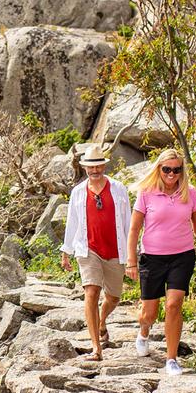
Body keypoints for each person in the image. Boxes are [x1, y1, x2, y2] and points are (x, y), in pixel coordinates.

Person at [125, 148, 196, 376]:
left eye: (176, 170)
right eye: (167, 169)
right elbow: (134, 228)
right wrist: (131, 260)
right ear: (159, 169)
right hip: (152, 258)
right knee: (149, 313)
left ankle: (171, 359)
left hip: (182, 256)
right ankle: (144, 330)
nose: (171, 174)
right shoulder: (146, 193)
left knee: (174, 304)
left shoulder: (190, 193)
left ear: (181, 170)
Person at [61, 144, 132, 361]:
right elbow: (72, 222)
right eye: (90, 167)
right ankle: (96, 348)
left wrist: (132, 254)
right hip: (88, 249)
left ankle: (102, 321)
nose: (95, 171)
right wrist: (66, 250)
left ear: (103, 165)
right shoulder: (78, 192)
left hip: (115, 249)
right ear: (84, 168)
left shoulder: (118, 189)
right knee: (91, 292)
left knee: (113, 297)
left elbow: (129, 221)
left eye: (98, 166)